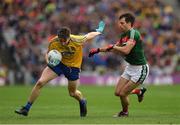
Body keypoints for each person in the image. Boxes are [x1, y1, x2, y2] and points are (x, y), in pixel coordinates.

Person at [15, 21, 105, 117]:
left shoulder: (77, 40)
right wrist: (48, 61)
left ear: (69, 37)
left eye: (64, 40)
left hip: (73, 67)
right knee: (40, 83)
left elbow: (89, 35)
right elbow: (48, 53)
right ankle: (26, 108)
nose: (62, 43)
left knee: (72, 93)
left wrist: (98, 31)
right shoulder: (54, 41)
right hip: (59, 64)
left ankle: (82, 101)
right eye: (60, 40)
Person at [89, 13, 149, 117]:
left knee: (123, 94)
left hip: (140, 69)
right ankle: (139, 91)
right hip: (130, 67)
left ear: (129, 23)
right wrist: (98, 50)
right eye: (119, 23)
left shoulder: (133, 33)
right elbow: (113, 48)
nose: (119, 25)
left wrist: (114, 47)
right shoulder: (123, 36)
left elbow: (126, 50)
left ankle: (124, 112)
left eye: (122, 23)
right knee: (117, 92)